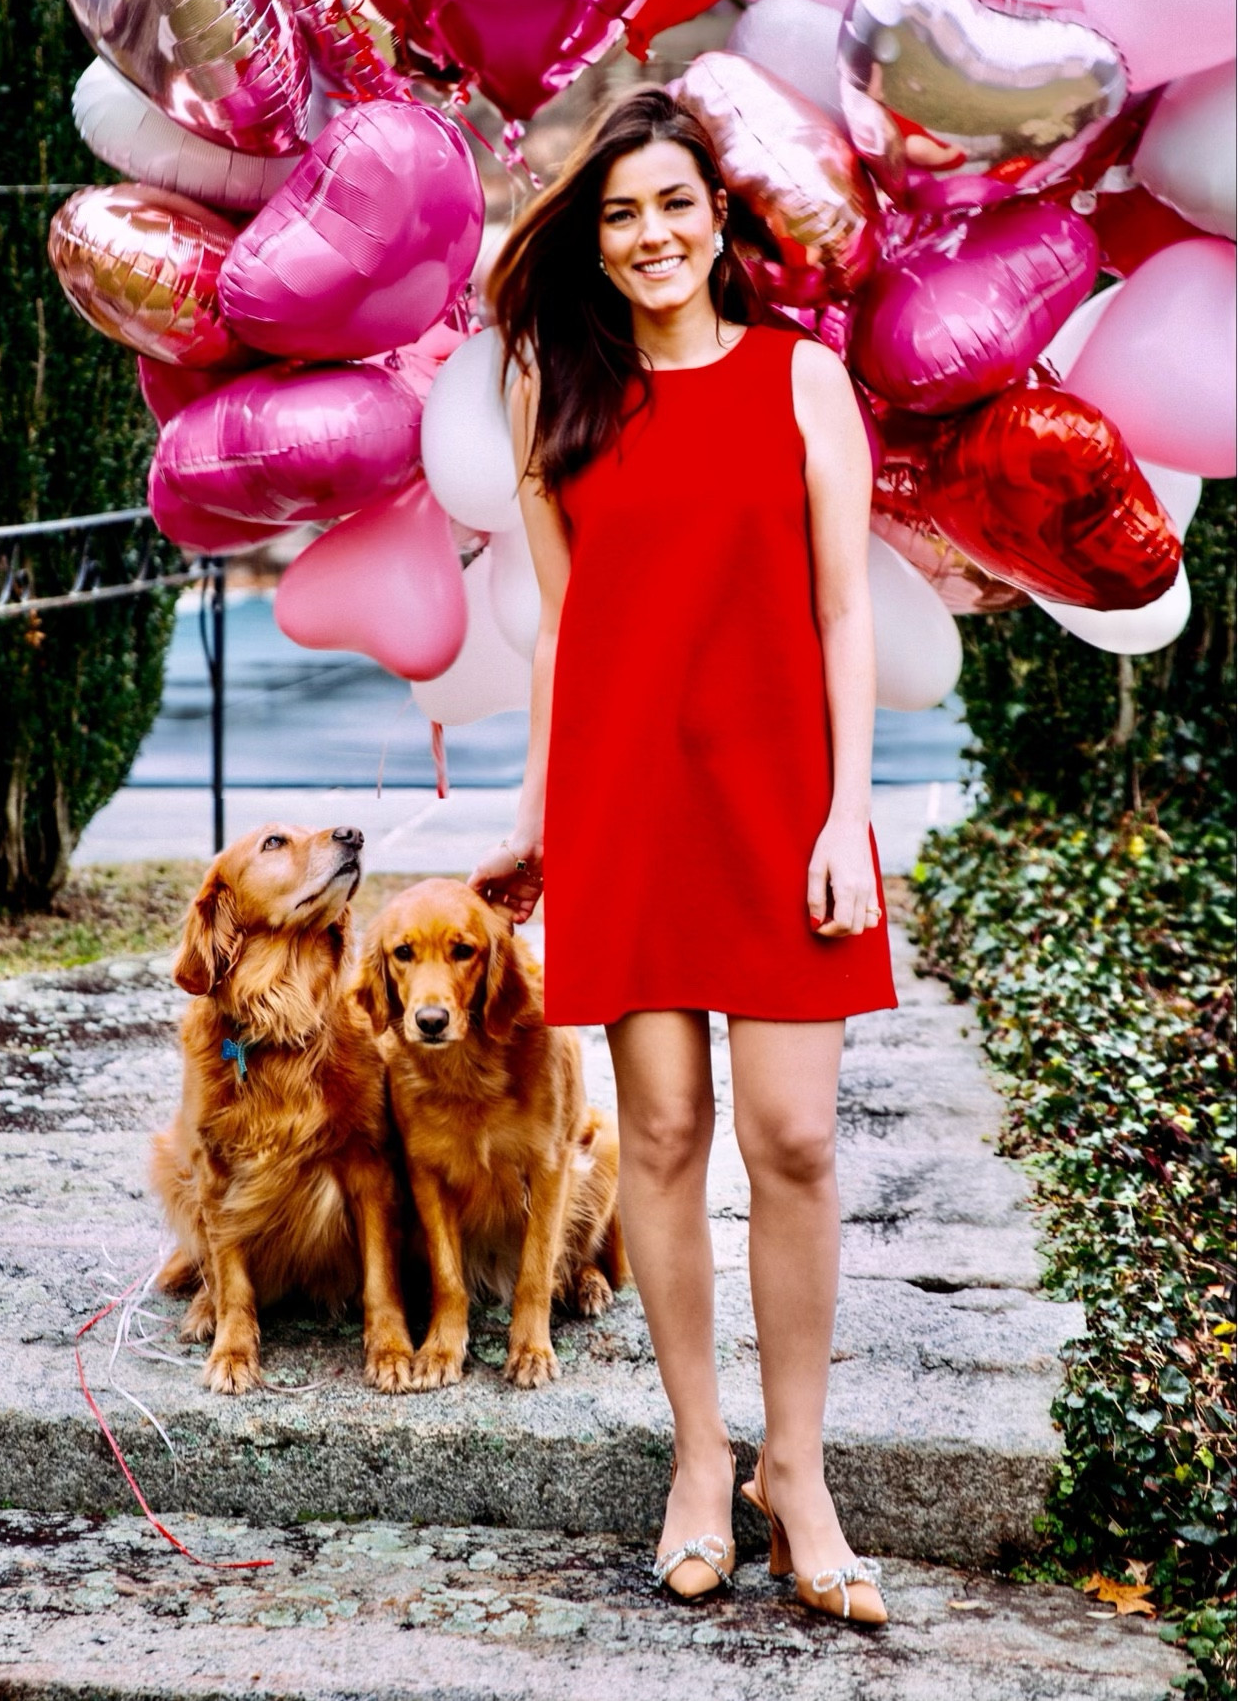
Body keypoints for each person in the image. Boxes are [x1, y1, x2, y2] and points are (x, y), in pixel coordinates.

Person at [468, 86, 896, 1628]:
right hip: (629, 801)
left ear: (721, 221)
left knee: (794, 1139)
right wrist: (538, 812)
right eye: (619, 213)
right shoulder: (558, 393)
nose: (650, 234)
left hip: (783, 800)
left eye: (674, 205)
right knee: (658, 1133)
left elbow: (843, 611)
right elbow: (560, 631)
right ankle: (702, 1461)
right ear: (594, 241)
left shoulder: (802, 379)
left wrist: (847, 812)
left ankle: (800, 1470)